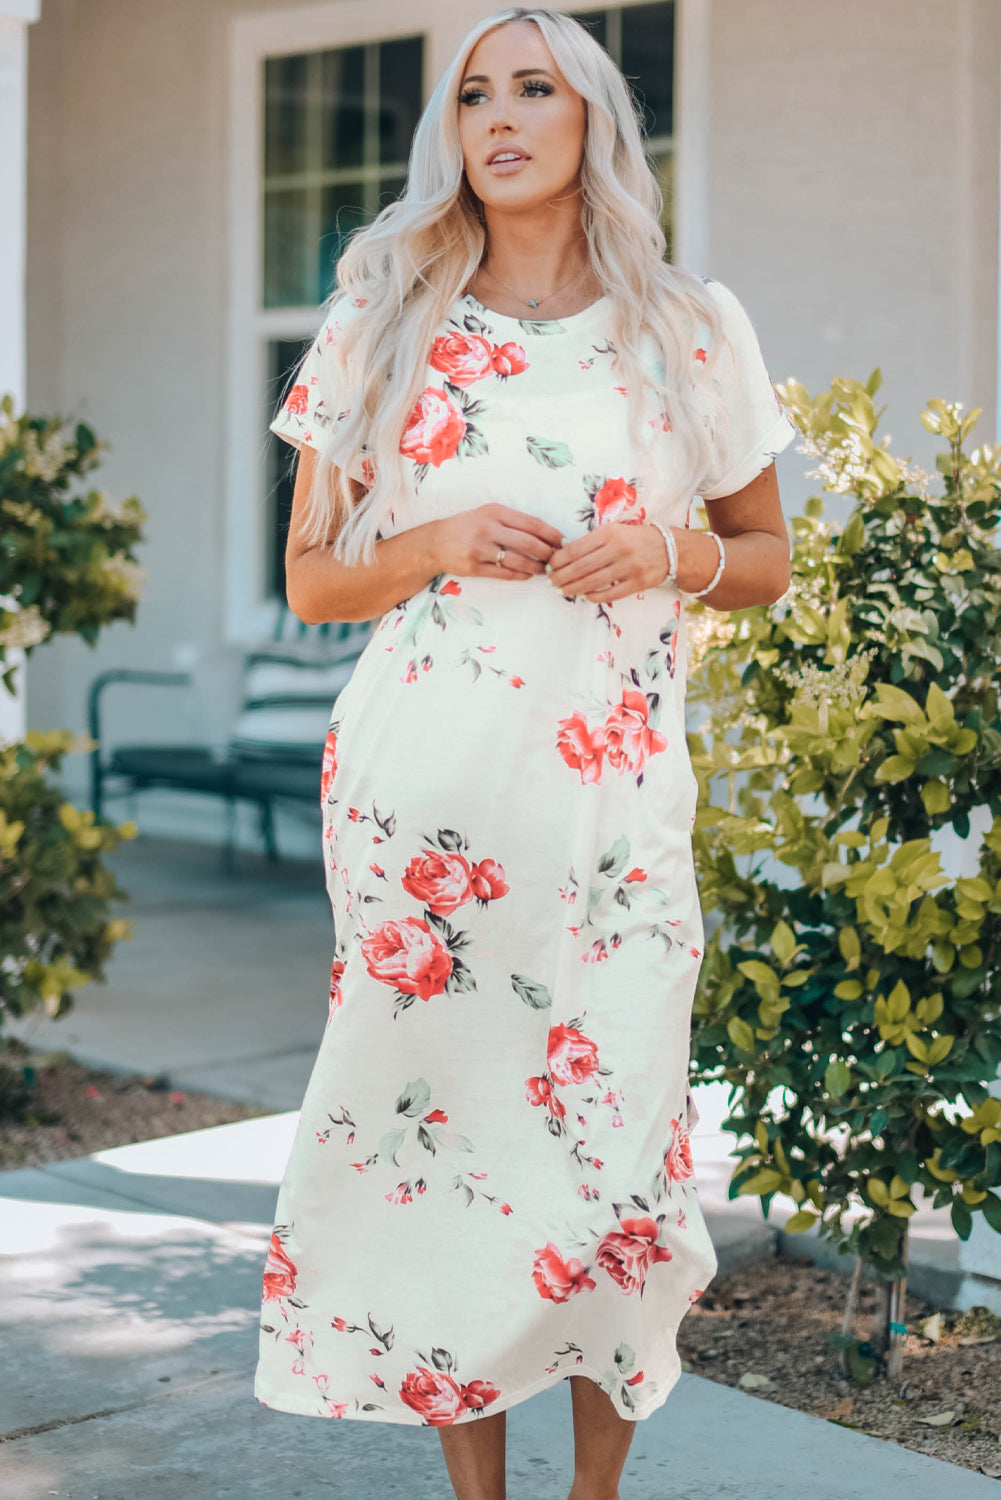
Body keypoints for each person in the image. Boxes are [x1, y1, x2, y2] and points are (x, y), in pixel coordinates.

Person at [255, 8, 794, 1500]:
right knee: (446, 1149)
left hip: (612, 801)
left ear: (590, 120)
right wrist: (424, 541)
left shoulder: (691, 326)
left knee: (615, 1156)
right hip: (423, 801)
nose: (497, 115)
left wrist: (667, 552)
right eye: (473, 93)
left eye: (533, 87)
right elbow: (313, 580)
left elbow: (763, 556)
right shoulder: (380, 312)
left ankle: (593, 1493)